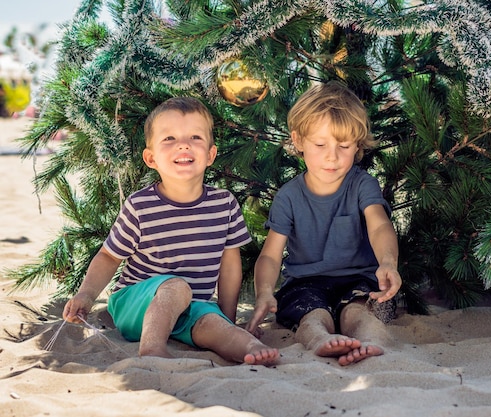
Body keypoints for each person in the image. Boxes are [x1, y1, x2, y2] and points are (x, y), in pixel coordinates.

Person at [63, 97, 279, 365]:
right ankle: (152, 349)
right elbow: (109, 256)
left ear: (211, 154)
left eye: (195, 137)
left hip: (190, 307)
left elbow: (230, 265)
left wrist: (228, 316)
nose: (184, 144)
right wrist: (86, 294)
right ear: (151, 158)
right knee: (176, 287)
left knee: (213, 323)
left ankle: (250, 348)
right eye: (169, 139)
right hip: (135, 304)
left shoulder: (224, 204)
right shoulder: (140, 206)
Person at [246, 82, 402, 366]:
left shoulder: (362, 185)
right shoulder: (289, 196)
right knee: (312, 313)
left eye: (343, 146)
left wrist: (388, 262)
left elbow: (379, 225)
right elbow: (270, 254)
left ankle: (371, 342)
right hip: (305, 283)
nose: (332, 156)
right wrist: (264, 292)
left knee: (358, 312)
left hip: (360, 280)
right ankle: (320, 340)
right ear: (299, 140)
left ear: (357, 146)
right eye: (320, 145)